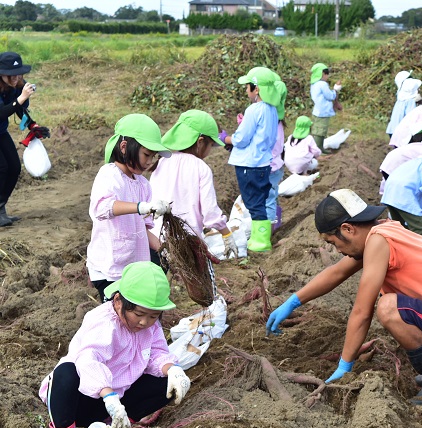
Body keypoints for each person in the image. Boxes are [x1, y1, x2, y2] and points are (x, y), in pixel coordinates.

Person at [265, 189, 422, 406]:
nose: (337, 250)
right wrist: (293, 301)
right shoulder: (382, 230)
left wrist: (345, 366)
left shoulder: (379, 241)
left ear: (347, 229)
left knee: (388, 307)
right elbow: (337, 272)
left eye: (333, 242)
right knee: (395, 304)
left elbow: (361, 311)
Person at [39, 262, 190, 428]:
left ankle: (118, 424)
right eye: (139, 314)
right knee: (66, 372)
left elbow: (156, 353)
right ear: (118, 301)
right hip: (80, 400)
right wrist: (109, 397)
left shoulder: (150, 327)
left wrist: (172, 370)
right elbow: (88, 360)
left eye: (153, 316)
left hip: (117, 401)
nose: (144, 322)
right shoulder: (104, 322)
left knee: (167, 383)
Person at [86, 114, 172, 302]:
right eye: (146, 155)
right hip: (110, 269)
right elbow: (102, 208)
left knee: (138, 311)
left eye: (153, 156)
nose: (149, 161)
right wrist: (141, 207)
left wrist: (164, 249)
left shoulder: (143, 185)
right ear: (124, 147)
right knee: (118, 315)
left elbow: (142, 229)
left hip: (134, 267)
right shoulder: (109, 175)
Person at [149, 109, 238, 259]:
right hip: (187, 241)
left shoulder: (162, 162)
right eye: (210, 145)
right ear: (200, 142)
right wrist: (226, 233)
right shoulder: (200, 167)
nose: (210, 150)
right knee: (199, 281)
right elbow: (210, 213)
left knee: (160, 280)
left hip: (156, 238)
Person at [221, 67, 284, 252]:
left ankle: (261, 242)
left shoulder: (254, 109)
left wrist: (226, 139)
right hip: (263, 162)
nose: (246, 90)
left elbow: (241, 139)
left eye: (247, 86)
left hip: (249, 164)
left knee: (253, 203)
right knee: (259, 201)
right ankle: (258, 239)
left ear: (256, 89)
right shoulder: (272, 110)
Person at [0, 52, 43, 226]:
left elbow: (19, 109)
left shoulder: (18, 84)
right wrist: (22, 98)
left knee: (14, 167)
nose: (15, 77)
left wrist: (32, 125)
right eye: (11, 74)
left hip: (1, 132)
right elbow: (2, 113)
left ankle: (1, 209)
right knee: (2, 167)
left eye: (18, 73)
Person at [266, 74, 288, 233]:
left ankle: (268, 232)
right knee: (273, 196)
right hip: (277, 165)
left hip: (270, 166)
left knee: (268, 199)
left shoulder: (271, 122)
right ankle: (276, 225)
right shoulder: (279, 122)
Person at [310, 63, 342, 153]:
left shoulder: (313, 84)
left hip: (317, 111)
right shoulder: (323, 84)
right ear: (322, 74)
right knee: (321, 131)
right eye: (326, 73)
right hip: (323, 111)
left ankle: (319, 148)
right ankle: (319, 150)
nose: (328, 75)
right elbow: (330, 96)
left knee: (317, 130)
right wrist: (336, 89)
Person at [386, 70, 422, 137]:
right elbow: (410, 117)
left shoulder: (400, 98)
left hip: (392, 129)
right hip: (401, 132)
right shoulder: (410, 101)